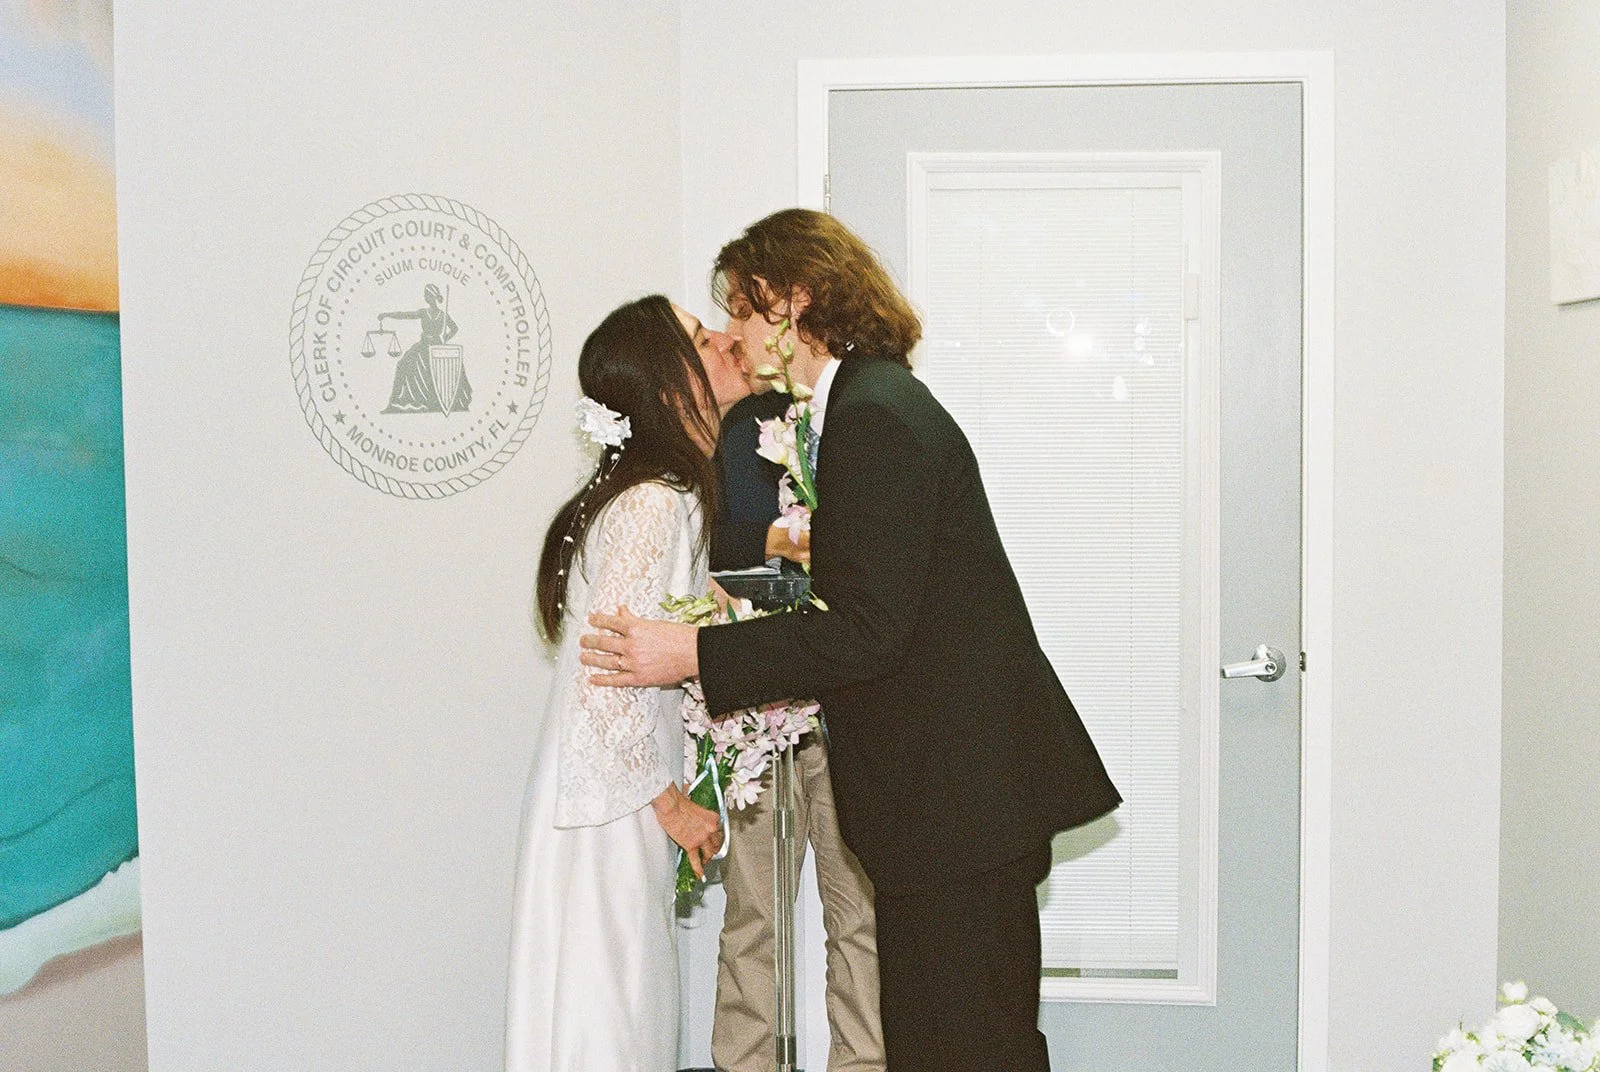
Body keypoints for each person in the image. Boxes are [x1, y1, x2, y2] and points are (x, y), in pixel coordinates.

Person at [579, 210, 1123, 1072]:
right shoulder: (869, 402)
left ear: (797, 303)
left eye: (746, 310)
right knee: (943, 1043)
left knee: (971, 1048)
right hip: (954, 804)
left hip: (958, 805)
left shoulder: (873, 415)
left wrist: (692, 654)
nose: (734, 332)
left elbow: (866, 631)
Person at [504, 294, 746, 1072]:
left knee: (617, 1009)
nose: (728, 346)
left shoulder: (661, 494)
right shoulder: (653, 503)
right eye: (705, 340)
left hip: (610, 790)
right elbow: (608, 674)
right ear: (671, 383)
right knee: (607, 1016)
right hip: (607, 801)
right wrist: (673, 806)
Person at [707, 357, 885, 1071]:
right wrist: (776, 543)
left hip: (853, 707)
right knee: (754, 917)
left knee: (862, 920)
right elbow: (704, 547)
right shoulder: (730, 427)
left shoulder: (860, 418)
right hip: (756, 708)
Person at [379, 282, 470, 413]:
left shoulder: (442, 315)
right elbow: (404, 315)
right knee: (403, 364)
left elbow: (455, 328)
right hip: (424, 345)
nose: (424, 296)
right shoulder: (424, 313)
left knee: (407, 365)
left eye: (426, 294)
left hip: (435, 347)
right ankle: (411, 401)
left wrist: (445, 338)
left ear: (431, 297)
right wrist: (387, 314)